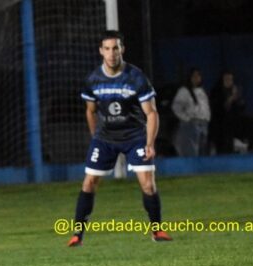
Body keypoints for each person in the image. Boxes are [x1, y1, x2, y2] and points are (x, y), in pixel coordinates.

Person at [67, 30, 172, 247]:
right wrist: (95, 136)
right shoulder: (93, 80)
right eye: (107, 48)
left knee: (148, 185)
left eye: (115, 48)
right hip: (106, 139)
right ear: (101, 51)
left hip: (135, 136)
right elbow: (90, 110)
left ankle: (157, 230)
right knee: (89, 182)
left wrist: (150, 143)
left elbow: (151, 113)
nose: (112, 53)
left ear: (122, 49)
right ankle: (77, 234)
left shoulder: (136, 78)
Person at [209, 71, 253, 154]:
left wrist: (239, 100)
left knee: (251, 122)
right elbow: (220, 108)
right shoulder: (216, 91)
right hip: (220, 124)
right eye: (226, 79)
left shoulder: (234, 91)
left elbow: (240, 108)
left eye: (230, 79)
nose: (229, 81)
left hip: (233, 122)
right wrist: (231, 98)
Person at [171, 68, 210, 156]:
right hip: (192, 123)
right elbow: (176, 107)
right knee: (191, 149)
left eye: (198, 76)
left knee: (202, 148)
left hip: (203, 123)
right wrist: (187, 119)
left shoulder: (202, 91)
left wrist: (207, 119)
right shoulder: (184, 91)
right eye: (194, 76)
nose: (196, 78)